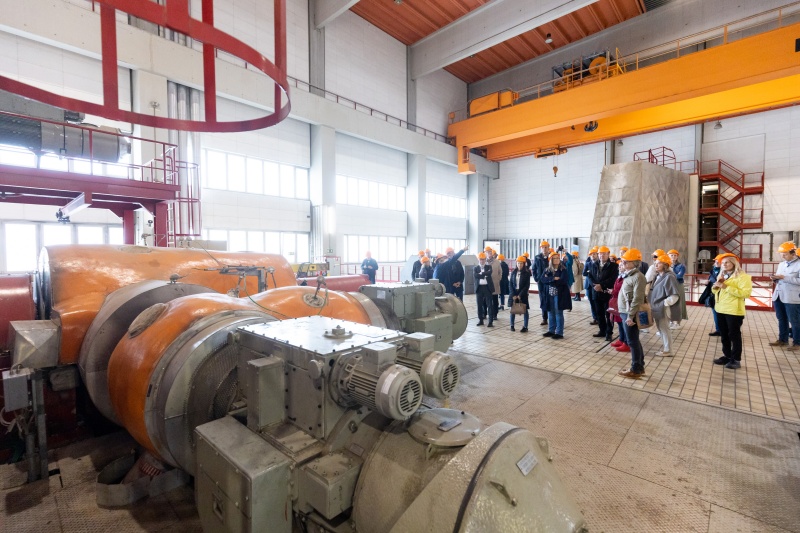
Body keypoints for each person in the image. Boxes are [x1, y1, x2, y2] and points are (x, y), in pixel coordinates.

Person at [712, 254, 753, 370]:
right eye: (723, 263)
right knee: (724, 335)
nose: (724, 265)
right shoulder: (722, 275)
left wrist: (725, 287)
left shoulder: (743, 277)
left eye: (727, 263)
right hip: (720, 309)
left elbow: (746, 293)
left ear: (734, 264)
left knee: (734, 335)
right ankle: (727, 355)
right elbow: (716, 291)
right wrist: (715, 288)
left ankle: (736, 360)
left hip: (734, 311)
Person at [617, 249, 648, 379]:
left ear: (634, 263)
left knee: (632, 341)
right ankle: (639, 366)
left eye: (625, 261)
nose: (622, 263)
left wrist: (630, 316)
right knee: (634, 340)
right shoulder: (629, 275)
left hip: (630, 313)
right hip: (626, 311)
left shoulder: (638, 277)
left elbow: (637, 298)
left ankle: (636, 369)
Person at [769, 241, 800, 351]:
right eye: (781, 254)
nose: (782, 256)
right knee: (781, 319)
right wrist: (775, 279)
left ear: (793, 253)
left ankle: (797, 343)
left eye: (785, 253)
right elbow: (780, 279)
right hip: (779, 295)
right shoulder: (781, 264)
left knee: (795, 321)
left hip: (792, 297)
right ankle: (783, 339)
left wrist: (784, 277)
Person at [650, 254, 681, 356]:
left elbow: (674, 296)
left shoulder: (669, 277)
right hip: (657, 307)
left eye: (659, 263)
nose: (656, 265)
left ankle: (668, 350)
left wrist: (663, 304)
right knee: (661, 328)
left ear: (665, 265)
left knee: (664, 328)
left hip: (663, 308)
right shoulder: (658, 276)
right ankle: (666, 349)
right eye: (655, 263)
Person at [588, 246, 618, 341]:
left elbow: (613, 279)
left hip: (607, 293)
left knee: (608, 314)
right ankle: (602, 331)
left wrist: (601, 285)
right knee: (599, 313)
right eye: (600, 254)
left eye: (604, 254)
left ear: (608, 254)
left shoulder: (613, 266)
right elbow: (590, 277)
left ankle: (609, 333)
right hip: (596, 293)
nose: (602, 256)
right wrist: (595, 286)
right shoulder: (593, 264)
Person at [540, 252, 571, 339]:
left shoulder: (563, 269)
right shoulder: (547, 270)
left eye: (558, 258)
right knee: (550, 311)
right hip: (549, 294)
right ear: (551, 260)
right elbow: (542, 279)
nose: (557, 260)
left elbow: (563, 281)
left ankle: (559, 333)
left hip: (559, 294)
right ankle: (551, 330)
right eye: (555, 258)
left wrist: (549, 280)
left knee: (558, 312)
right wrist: (553, 279)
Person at [699, 254, 723, 336]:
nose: (716, 263)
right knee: (715, 312)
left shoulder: (724, 272)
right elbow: (712, 280)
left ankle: (723, 330)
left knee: (721, 313)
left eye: (718, 261)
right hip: (713, 293)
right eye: (716, 261)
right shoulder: (713, 270)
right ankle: (718, 330)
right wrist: (708, 282)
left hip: (721, 295)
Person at [532, 241, 552, 326]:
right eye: (543, 247)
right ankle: (544, 318)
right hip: (541, 282)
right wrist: (537, 279)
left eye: (546, 247)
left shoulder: (552, 257)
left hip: (550, 282)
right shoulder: (537, 258)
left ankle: (551, 317)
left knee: (550, 299)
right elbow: (533, 269)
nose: (544, 249)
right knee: (543, 299)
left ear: (548, 248)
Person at [509, 256, 531, 332]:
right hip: (514, 293)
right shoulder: (513, 272)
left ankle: (525, 326)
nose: (519, 265)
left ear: (524, 264)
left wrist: (520, 295)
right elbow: (510, 284)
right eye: (518, 263)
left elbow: (527, 285)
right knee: (513, 309)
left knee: (525, 310)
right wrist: (513, 295)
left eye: (521, 263)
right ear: (516, 263)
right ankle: (512, 325)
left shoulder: (527, 273)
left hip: (523, 294)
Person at [608, 267, 628, 352]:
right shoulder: (620, 276)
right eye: (619, 266)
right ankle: (621, 339)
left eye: (622, 265)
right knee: (619, 323)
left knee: (624, 324)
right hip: (617, 302)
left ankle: (626, 343)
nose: (620, 267)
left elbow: (623, 290)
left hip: (623, 302)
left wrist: (613, 291)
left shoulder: (627, 277)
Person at [473, 252, 494, 327]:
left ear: (485, 260)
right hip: (479, 288)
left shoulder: (489, 267)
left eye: (483, 259)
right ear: (478, 259)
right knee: (479, 305)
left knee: (489, 305)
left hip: (487, 288)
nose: (482, 261)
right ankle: (480, 320)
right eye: (480, 259)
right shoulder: (475, 268)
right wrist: (484, 274)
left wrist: (481, 274)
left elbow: (490, 273)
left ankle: (490, 321)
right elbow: (475, 275)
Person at [668, 249, 687, 328]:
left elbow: (680, 276)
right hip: (669, 285)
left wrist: (671, 274)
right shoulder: (667, 265)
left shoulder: (681, 266)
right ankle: (671, 321)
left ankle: (678, 322)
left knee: (679, 303)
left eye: (675, 255)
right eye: (671, 255)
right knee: (670, 303)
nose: (673, 257)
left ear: (677, 256)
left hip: (678, 285)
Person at [584, 247, 599, 324]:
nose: (593, 256)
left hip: (596, 286)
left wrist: (589, 272)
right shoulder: (588, 263)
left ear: (597, 255)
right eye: (591, 254)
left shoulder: (599, 263)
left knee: (597, 302)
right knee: (592, 303)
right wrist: (589, 272)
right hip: (589, 286)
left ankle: (599, 318)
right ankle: (595, 318)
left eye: (594, 254)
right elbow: (584, 273)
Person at [487, 247, 502, 320]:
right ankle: (485, 313)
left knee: (495, 300)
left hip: (495, 283)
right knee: (486, 300)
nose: (489, 253)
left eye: (490, 252)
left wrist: (498, 279)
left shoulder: (497, 262)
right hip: (486, 285)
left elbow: (500, 272)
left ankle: (495, 314)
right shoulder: (484, 261)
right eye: (487, 252)